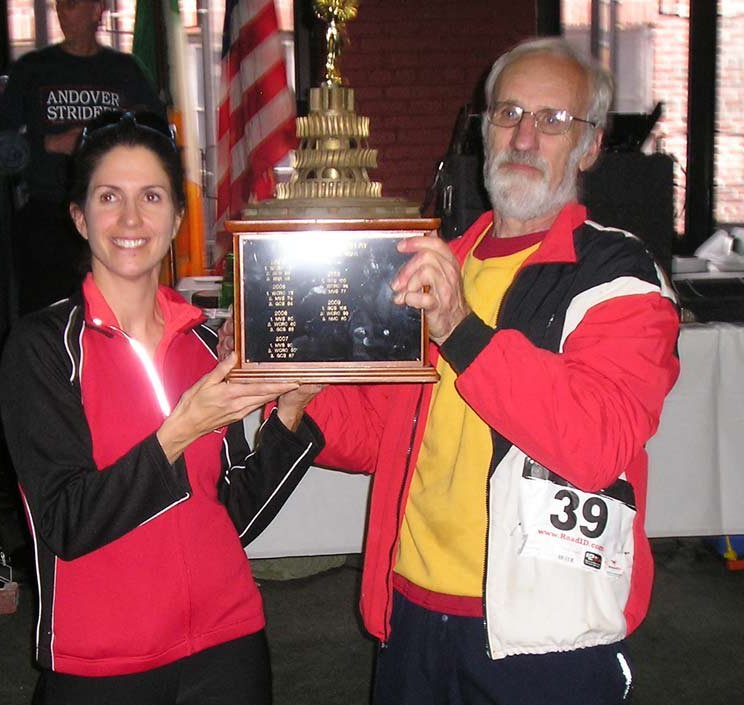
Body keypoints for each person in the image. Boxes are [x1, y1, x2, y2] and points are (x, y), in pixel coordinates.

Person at [259, 37, 681, 704]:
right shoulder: (438, 263)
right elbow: (388, 431)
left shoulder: (618, 276)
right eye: (508, 113)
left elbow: (595, 439)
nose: (523, 135)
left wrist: (460, 329)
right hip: (415, 611)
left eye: (551, 120)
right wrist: (295, 387)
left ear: (591, 146)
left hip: (548, 635)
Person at [0, 111, 324, 705]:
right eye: (108, 197)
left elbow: (233, 517)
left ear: (176, 218)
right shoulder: (43, 348)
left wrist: (291, 413)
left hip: (230, 645)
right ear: (79, 217)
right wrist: (179, 431)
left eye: (150, 196)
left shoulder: (203, 345)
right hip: (102, 663)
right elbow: (66, 523)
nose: (129, 219)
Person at [0, 0, 164, 314]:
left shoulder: (125, 71)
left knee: (115, 313)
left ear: (97, 10)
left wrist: (119, 137)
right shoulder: (34, 69)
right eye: (59, 5)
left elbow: (158, 135)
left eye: (71, 5)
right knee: (47, 322)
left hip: (113, 216)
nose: (62, 12)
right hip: (48, 216)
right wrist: (52, 143)